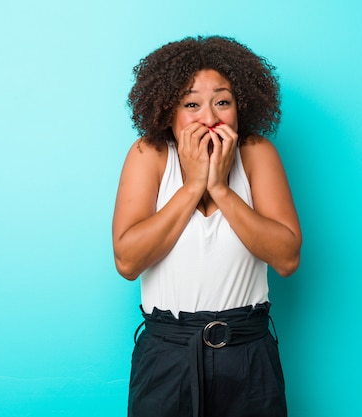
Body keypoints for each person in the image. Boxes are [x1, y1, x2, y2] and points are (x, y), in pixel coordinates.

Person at [112, 35, 302, 417]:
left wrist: (219, 188)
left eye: (223, 102)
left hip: (248, 355)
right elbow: (127, 262)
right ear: (169, 112)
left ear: (240, 106)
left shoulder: (257, 154)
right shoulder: (148, 155)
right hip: (167, 355)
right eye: (192, 104)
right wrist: (194, 185)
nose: (210, 117)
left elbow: (287, 258)